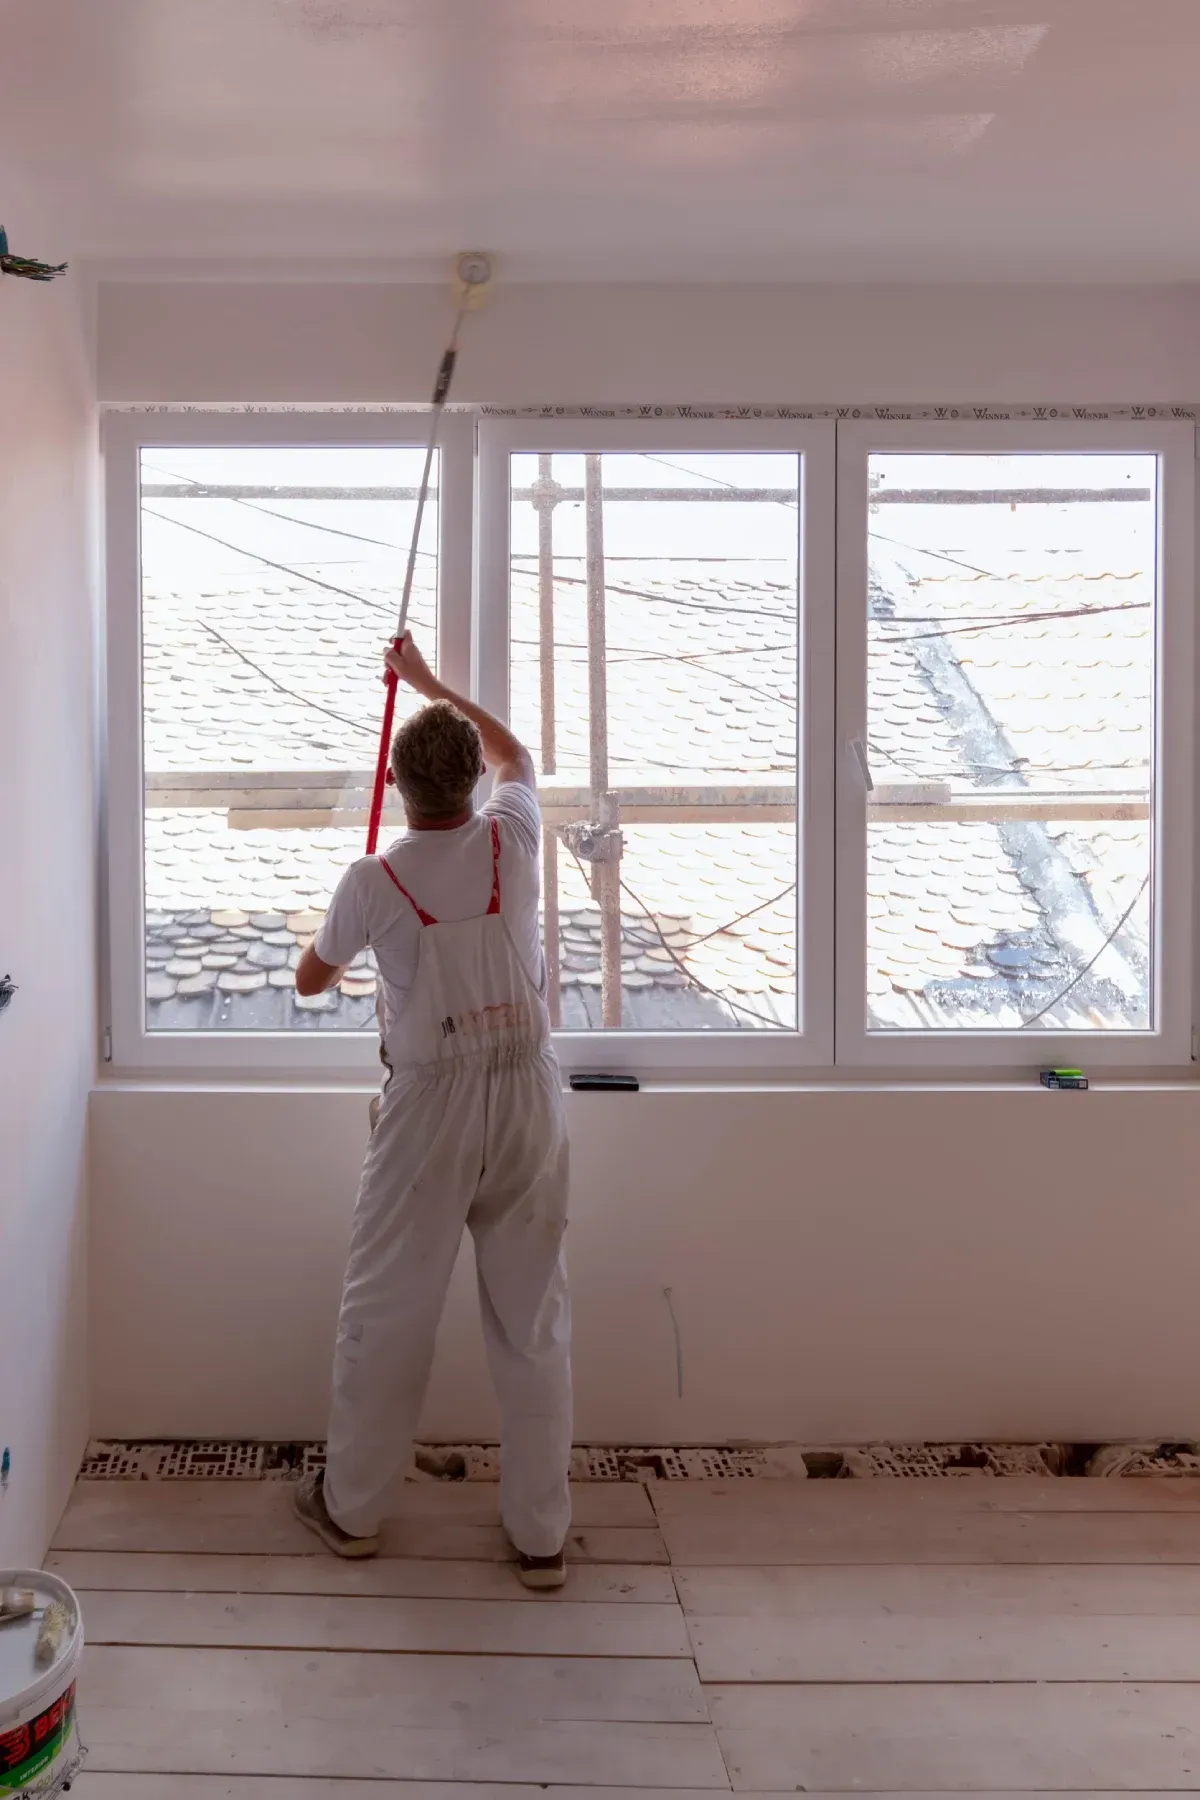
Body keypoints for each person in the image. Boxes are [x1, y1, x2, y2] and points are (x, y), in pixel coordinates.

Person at [291, 633, 572, 1589]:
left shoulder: (375, 880)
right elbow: (518, 757)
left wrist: (338, 929)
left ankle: (354, 1508)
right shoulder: (513, 837)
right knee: (532, 1317)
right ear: (467, 785)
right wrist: (428, 684)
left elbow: (311, 981)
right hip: (528, 1094)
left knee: (386, 1310)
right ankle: (540, 1540)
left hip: (431, 1111)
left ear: (401, 786)